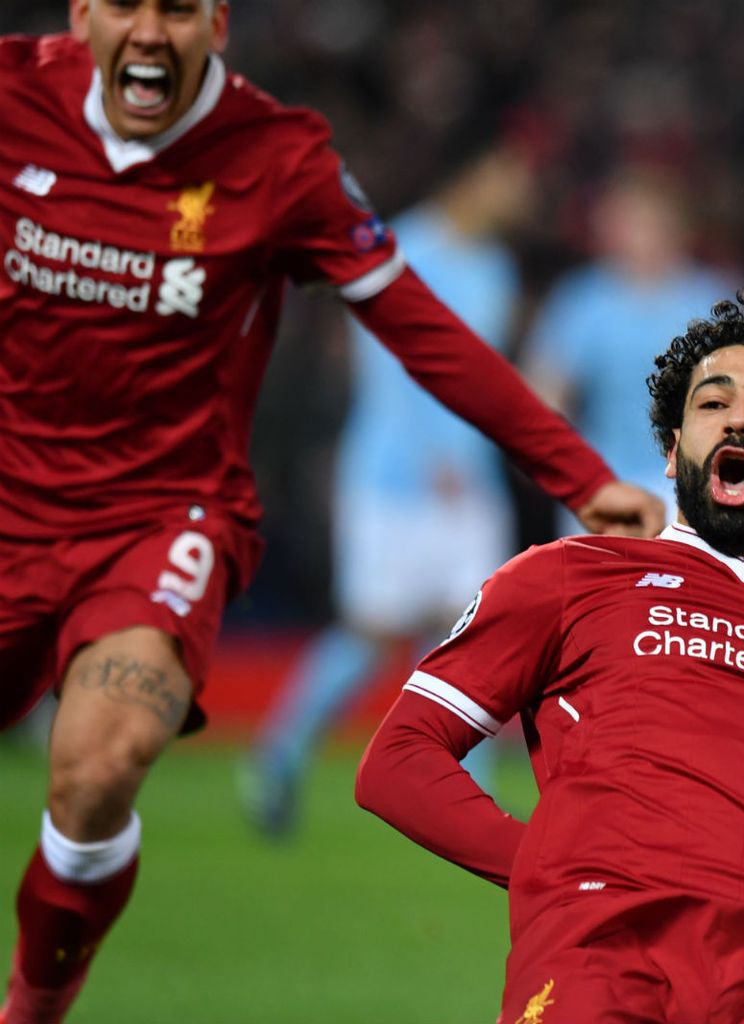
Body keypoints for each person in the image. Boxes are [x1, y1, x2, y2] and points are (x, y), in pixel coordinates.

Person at [0, 2, 663, 1021]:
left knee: (102, 761)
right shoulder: (14, 100)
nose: (150, 31)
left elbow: (418, 327)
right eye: (125, 3)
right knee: (384, 633)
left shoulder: (277, 160)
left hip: (160, 518)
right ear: (83, 12)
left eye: (178, 8)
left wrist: (576, 474)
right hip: (13, 498)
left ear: (217, 23)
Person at [356, 282, 744, 1023]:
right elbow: (398, 762)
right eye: (713, 403)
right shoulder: (566, 578)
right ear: (672, 450)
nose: (741, 418)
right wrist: (553, 869)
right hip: (600, 967)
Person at [240, 136, 537, 838]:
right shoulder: (401, 251)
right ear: (473, 174)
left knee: (474, 637)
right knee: (373, 635)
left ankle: (475, 807)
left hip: (469, 483)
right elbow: (389, 362)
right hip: (393, 480)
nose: (523, 193)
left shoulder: (495, 268)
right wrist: (436, 450)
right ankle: (278, 754)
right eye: (511, 174)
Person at [524, 166, 733, 524]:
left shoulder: (710, 300)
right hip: (607, 481)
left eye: (645, 221)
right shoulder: (583, 300)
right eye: (624, 222)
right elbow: (546, 389)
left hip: (692, 484)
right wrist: (562, 464)